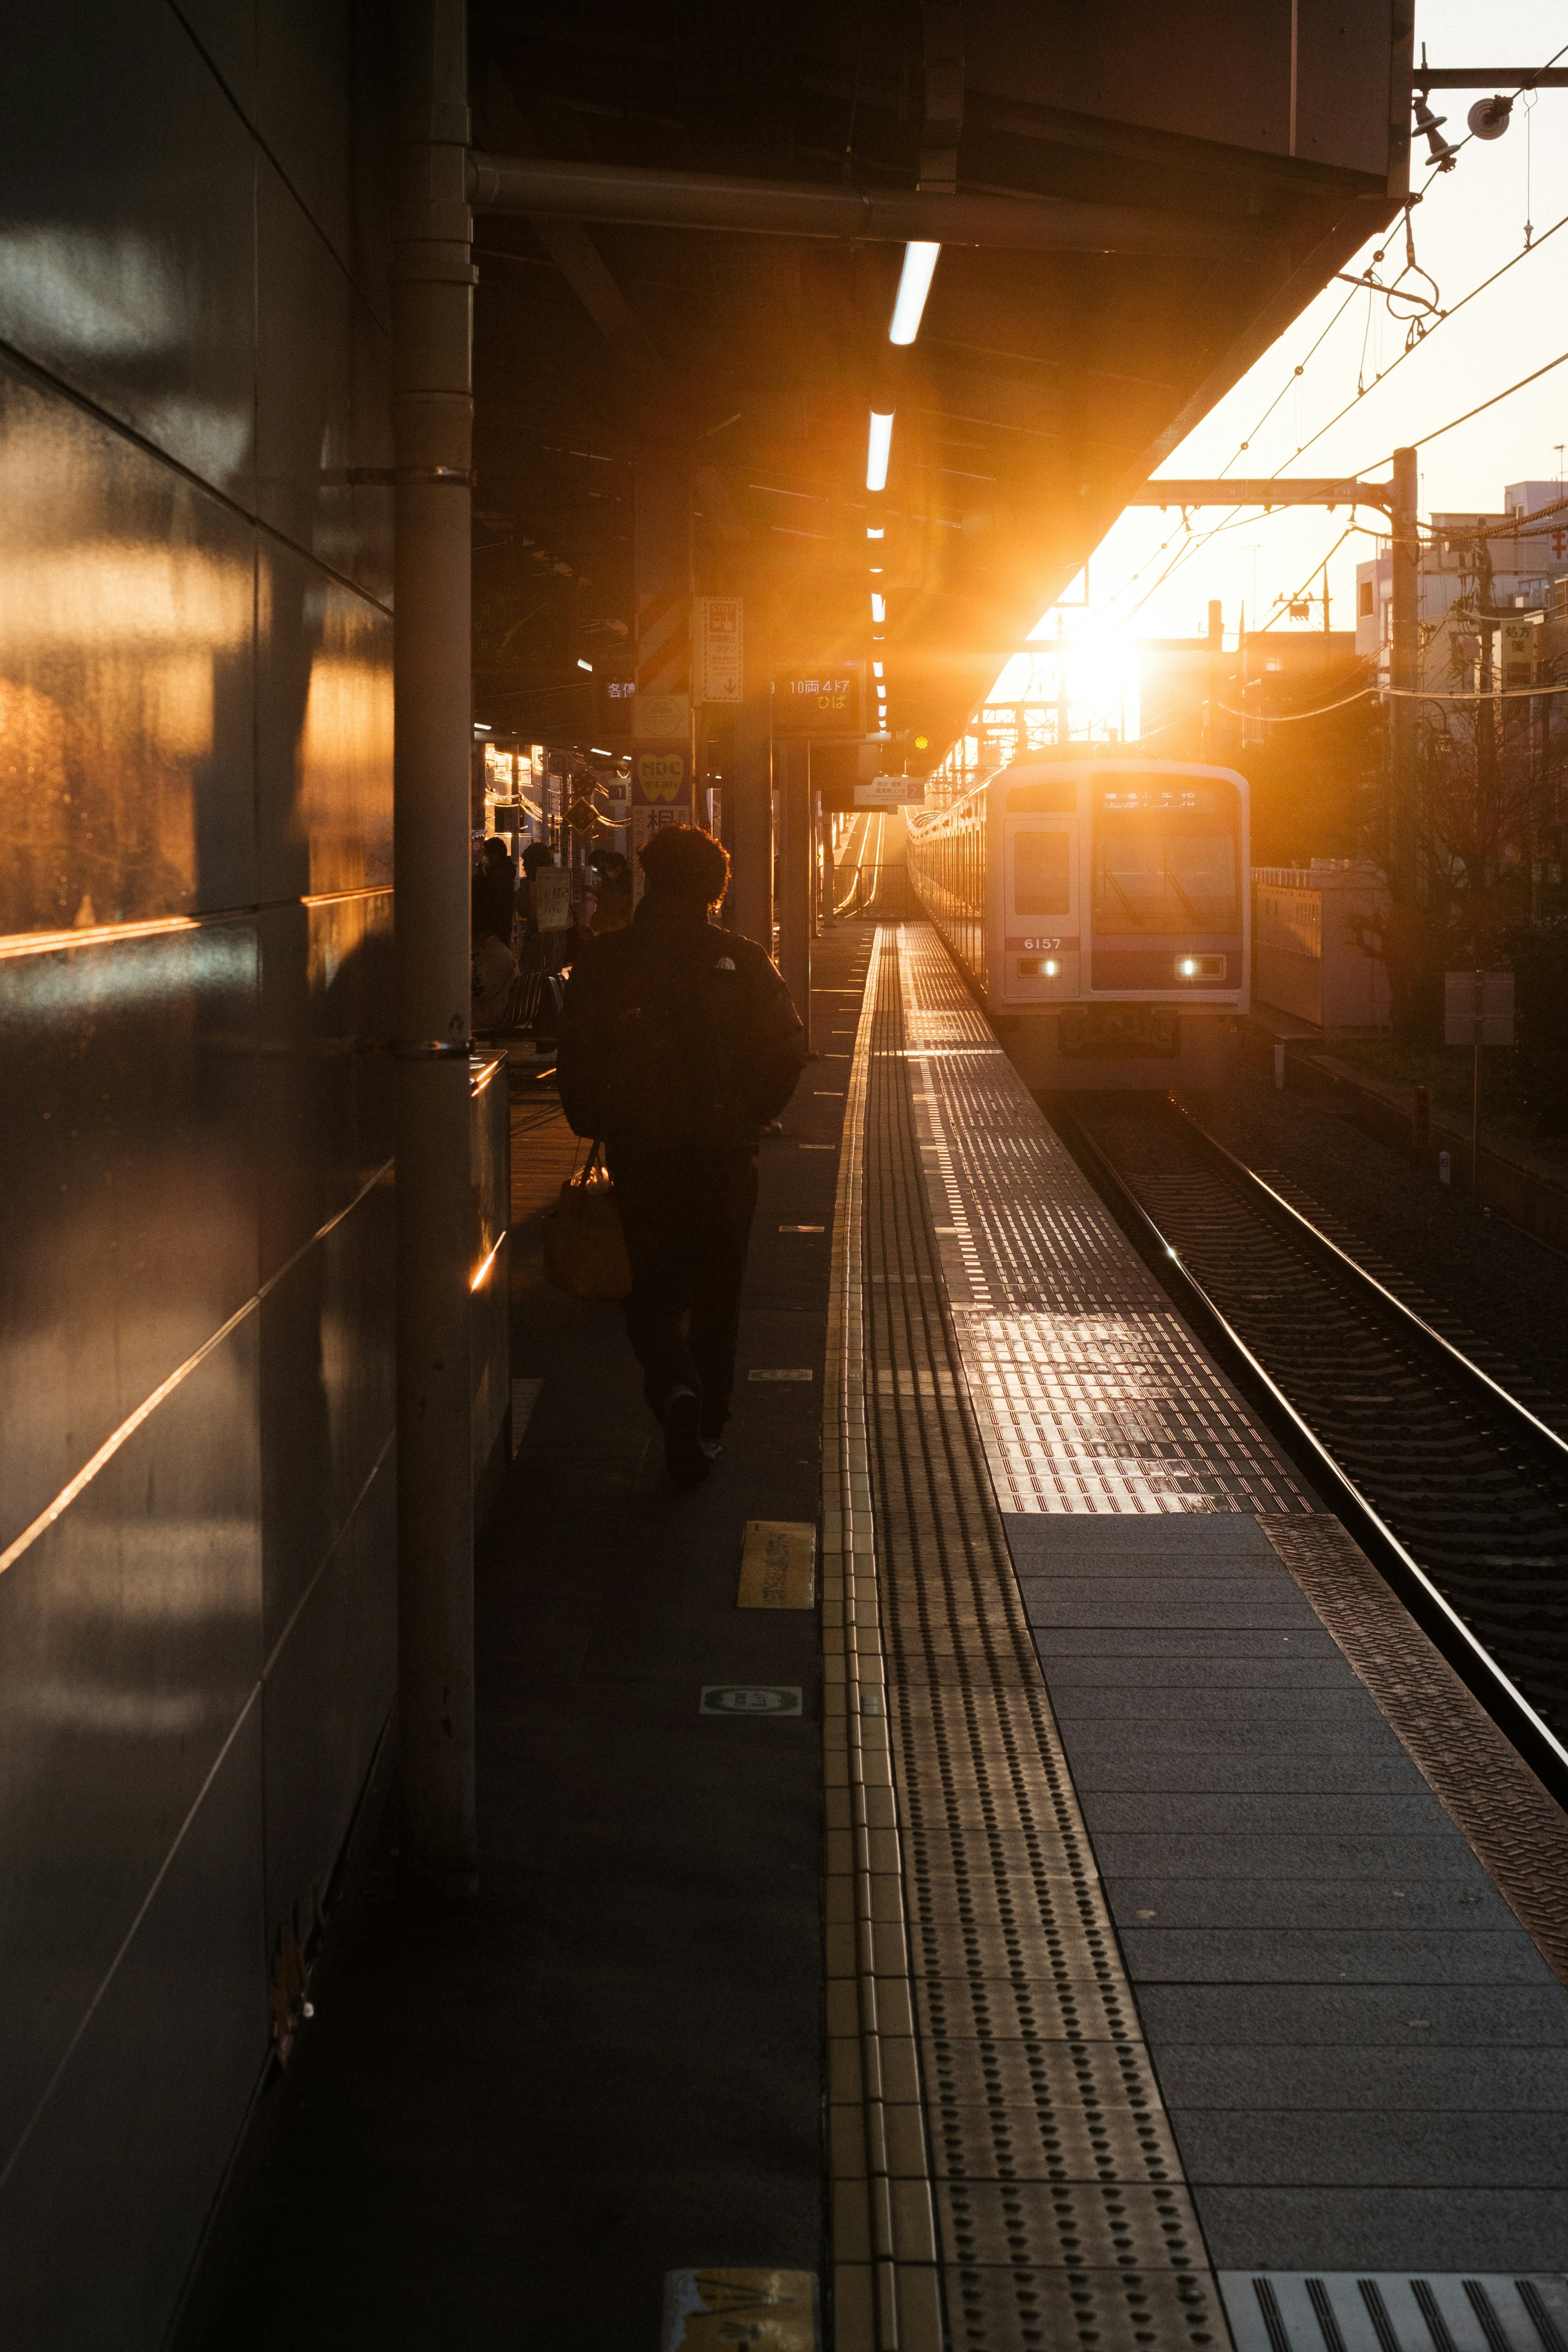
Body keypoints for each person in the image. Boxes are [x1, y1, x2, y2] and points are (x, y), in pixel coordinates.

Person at [557, 824, 806, 1487]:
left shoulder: (607, 960)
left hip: (641, 1151)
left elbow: (576, 1049)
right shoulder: (746, 962)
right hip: (725, 1157)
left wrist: (596, 1117)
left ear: (648, 878)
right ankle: (709, 1420)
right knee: (719, 1291)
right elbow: (787, 1045)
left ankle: (673, 1386)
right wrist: (750, 1112)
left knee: (649, 1287)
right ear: (717, 891)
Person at [472, 834, 516, 950]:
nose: (484, 857)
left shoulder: (499, 878)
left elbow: (488, 902)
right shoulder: (503, 873)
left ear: (495, 855)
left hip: (494, 932)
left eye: (486, 854)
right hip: (500, 931)